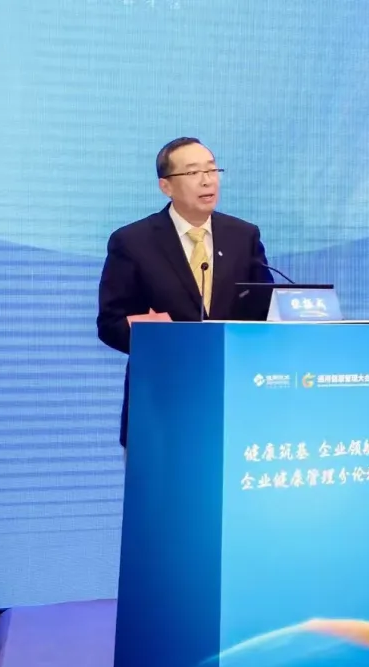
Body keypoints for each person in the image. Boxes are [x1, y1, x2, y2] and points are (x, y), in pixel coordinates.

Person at [97, 137, 274, 452]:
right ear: (166, 186)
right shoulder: (132, 241)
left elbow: (265, 309)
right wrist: (156, 339)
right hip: (162, 402)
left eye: (212, 170)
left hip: (233, 400)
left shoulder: (243, 235)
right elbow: (110, 323)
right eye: (193, 172)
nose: (207, 180)